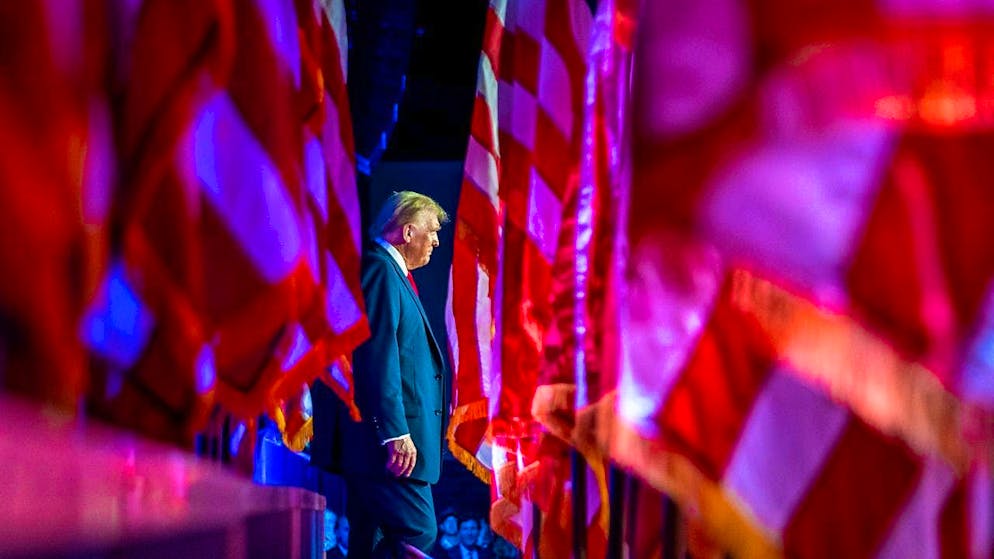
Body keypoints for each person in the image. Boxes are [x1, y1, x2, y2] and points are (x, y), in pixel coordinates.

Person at [341, 191, 449, 558]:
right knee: (418, 530)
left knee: (367, 539)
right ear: (407, 232)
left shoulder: (390, 274)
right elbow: (378, 354)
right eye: (432, 230)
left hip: (381, 447)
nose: (436, 240)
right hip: (390, 446)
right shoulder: (380, 270)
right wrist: (394, 432)